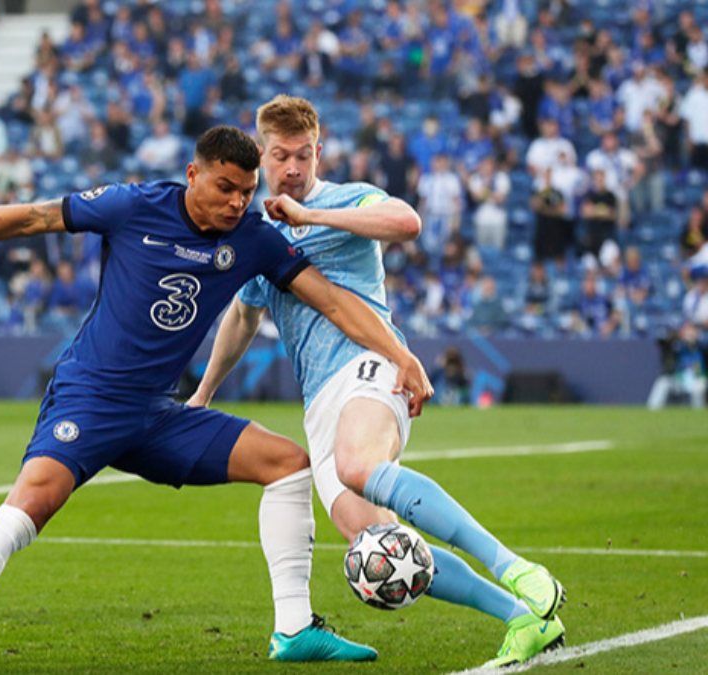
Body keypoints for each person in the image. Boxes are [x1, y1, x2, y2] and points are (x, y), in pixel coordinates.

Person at [0, 126, 434, 668]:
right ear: (193, 174)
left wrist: (401, 355)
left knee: (288, 465)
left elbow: (331, 300)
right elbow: (32, 217)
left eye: (247, 191)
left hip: (156, 414)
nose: (237, 202)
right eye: (226, 188)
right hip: (91, 397)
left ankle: (294, 629)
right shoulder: (133, 206)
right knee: (33, 501)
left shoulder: (253, 238)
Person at [190, 96, 566, 669]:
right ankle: (523, 619)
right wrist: (204, 393)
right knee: (381, 542)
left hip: (373, 364)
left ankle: (516, 567)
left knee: (357, 465)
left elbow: (406, 222)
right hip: (320, 400)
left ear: (319, 151)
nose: (292, 167)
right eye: (281, 156)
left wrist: (310, 217)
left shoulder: (347, 199)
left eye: (303, 154)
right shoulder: (259, 235)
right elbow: (243, 316)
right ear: (262, 156)